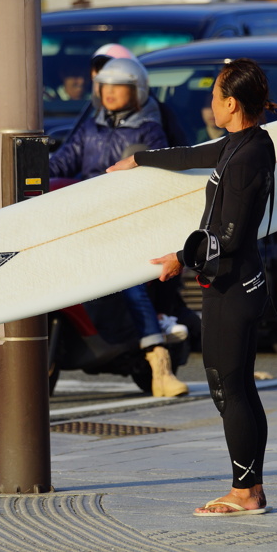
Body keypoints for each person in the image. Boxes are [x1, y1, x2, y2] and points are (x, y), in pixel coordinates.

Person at [108, 57, 277, 516]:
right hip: (233, 284)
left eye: (214, 96)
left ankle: (244, 493)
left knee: (229, 389)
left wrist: (179, 260)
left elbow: (230, 237)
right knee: (239, 387)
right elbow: (192, 155)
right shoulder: (243, 144)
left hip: (233, 287)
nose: (209, 105)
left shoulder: (245, 158)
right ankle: (252, 488)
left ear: (232, 103)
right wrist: (138, 160)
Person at [50, 56, 189, 397]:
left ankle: (159, 364)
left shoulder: (148, 130)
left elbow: (156, 174)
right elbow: (65, 160)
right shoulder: (90, 127)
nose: (109, 93)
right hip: (84, 218)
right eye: (105, 86)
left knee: (130, 281)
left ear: (137, 90)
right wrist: (34, 168)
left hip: (127, 223)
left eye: (119, 87)